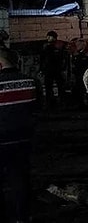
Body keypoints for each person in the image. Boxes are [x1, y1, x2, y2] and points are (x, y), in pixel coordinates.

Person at [0, 48, 37, 223]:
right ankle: (23, 217)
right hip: (24, 139)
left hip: (2, 140)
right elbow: (37, 110)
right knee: (21, 179)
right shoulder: (31, 82)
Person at [39, 30, 67, 107]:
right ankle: (50, 102)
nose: (47, 38)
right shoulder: (46, 46)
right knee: (49, 87)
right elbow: (43, 59)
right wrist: (42, 69)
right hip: (50, 70)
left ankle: (60, 101)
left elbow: (63, 58)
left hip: (56, 69)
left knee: (59, 86)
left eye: (49, 36)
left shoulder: (58, 45)